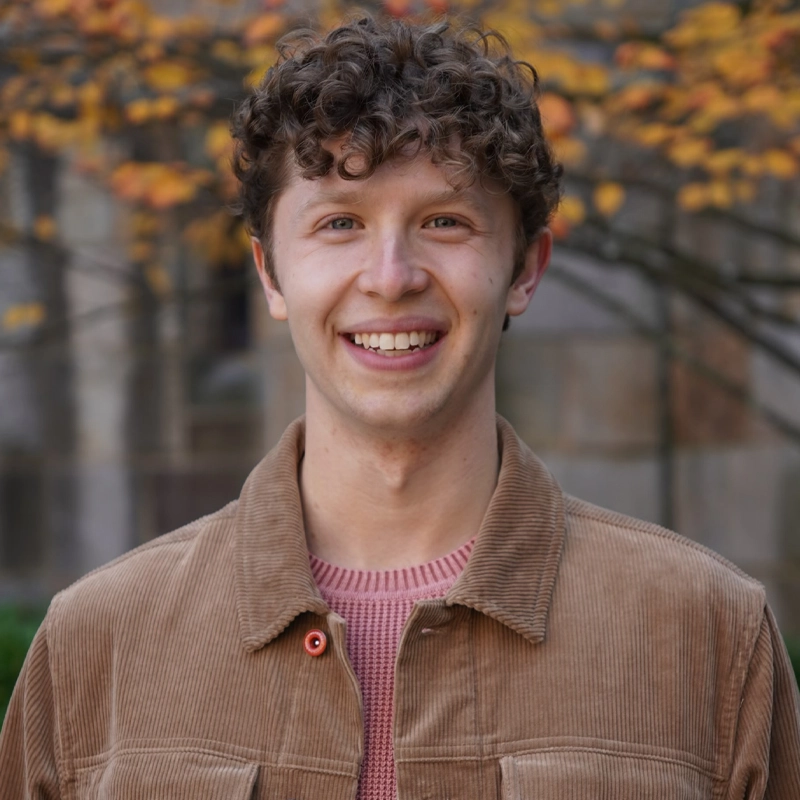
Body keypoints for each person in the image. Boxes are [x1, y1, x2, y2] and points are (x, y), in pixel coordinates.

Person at [1, 14, 799, 800]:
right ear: (270, 274)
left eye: (444, 221)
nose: (390, 277)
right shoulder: (95, 647)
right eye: (339, 223)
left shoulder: (708, 637)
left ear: (525, 268)